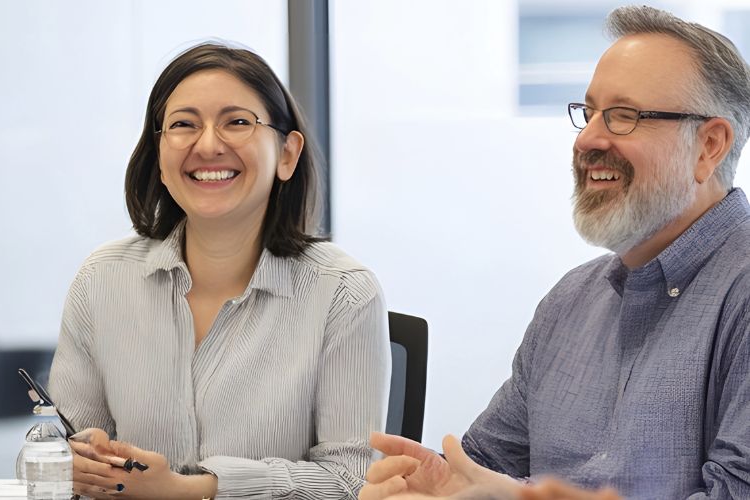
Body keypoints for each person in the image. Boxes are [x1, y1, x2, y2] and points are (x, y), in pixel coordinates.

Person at [361, 5, 750, 500]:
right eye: (588, 113)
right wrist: (436, 488)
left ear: (709, 145)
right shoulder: (571, 300)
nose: (587, 138)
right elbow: (484, 464)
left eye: (623, 116)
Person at [48, 43, 391, 499]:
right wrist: (70, 462)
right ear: (159, 157)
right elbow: (49, 454)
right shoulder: (101, 281)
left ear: (287, 154)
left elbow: (352, 483)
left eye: (237, 122)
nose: (207, 145)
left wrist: (188, 489)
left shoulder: (344, 294)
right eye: (184, 125)